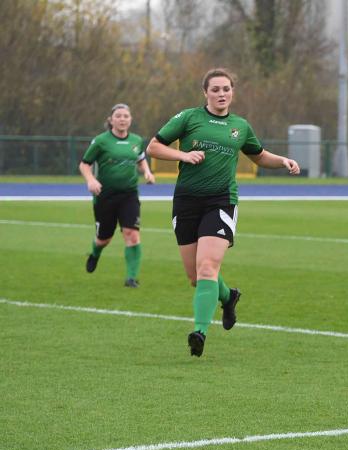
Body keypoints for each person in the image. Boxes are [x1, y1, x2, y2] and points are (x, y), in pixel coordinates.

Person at [146, 68, 300, 357]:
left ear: (232, 92)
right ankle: (229, 298)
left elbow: (259, 155)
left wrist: (283, 161)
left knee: (207, 268)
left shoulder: (240, 126)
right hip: (186, 202)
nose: (221, 94)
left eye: (226, 89)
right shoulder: (188, 118)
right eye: (215, 89)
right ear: (205, 92)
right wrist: (183, 155)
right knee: (196, 277)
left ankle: (199, 333)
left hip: (221, 201)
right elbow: (153, 147)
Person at [79, 103, 155, 288]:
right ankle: (95, 253)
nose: (122, 119)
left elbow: (140, 158)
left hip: (129, 194)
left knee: (132, 234)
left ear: (130, 120)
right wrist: (91, 180)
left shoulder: (136, 141)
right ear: (111, 120)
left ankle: (131, 278)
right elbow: (84, 164)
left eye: (126, 116)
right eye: (118, 116)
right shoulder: (101, 141)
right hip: (105, 196)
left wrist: (147, 172)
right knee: (104, 239)